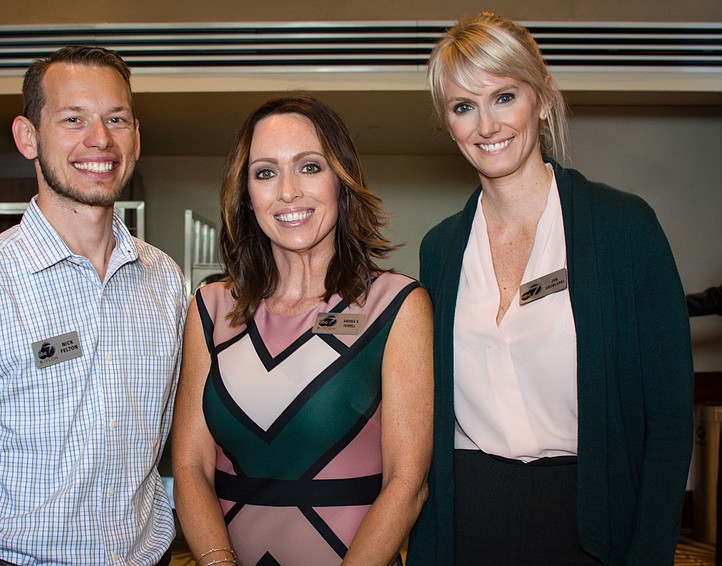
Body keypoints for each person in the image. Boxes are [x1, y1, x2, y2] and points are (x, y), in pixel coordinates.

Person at [407, 12, 693, 566]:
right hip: (465, 526)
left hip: (591, 524)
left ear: (541, 98)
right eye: (464, 107)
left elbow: (668, 418)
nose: (486, 125)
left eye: (504, 96)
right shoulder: (439, 250)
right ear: (448, 123)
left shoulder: (622, 227)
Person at [0, 46, 186, 566]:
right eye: (73, 118)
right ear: (28, 137)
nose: (100, 139)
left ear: (136, 136)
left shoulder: (163, 281)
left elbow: (162, 431)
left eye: (115, 118)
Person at [172, 93, 433, 566]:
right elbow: (190, 468)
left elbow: (407, 483)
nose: (288, 191)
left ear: (341, 180)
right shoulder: (209, 309)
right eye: (266, 172)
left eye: (310, 167)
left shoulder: (395, 306)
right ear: (247, 196)